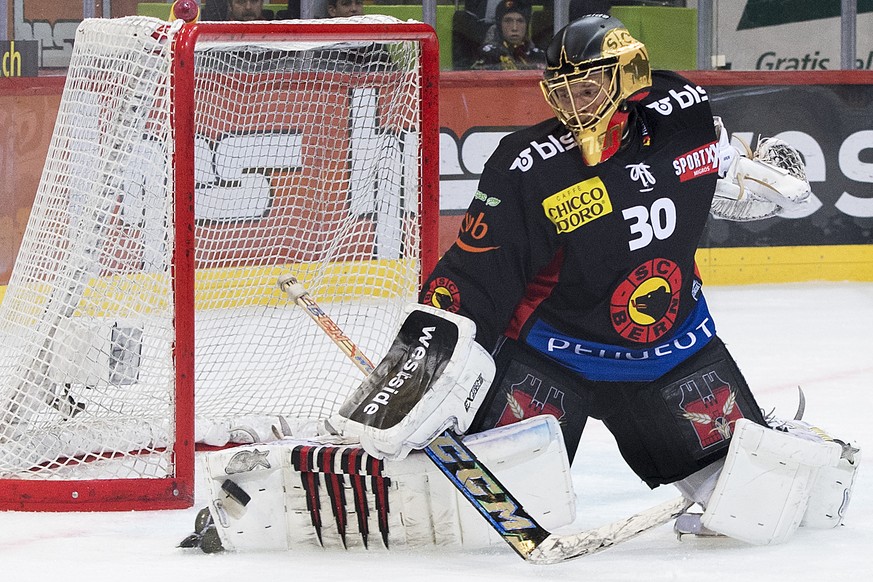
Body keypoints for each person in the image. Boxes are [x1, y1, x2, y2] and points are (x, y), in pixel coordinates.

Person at [332, 13, 859, 547]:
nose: (575, 104)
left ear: (627, 79)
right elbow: (476, 272)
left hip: (673, 350)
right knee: (470, 519)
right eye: (563, 90)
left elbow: (711, 156)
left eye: (589, 87)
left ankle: (762, 441)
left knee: (764, 505)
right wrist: (426, 360)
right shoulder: (530, 165)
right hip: (558, 358)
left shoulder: (684, 116)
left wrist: (738, 167)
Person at [472, 0, 546, 70]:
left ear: (527, 26)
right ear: (500, 26)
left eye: (520, 21)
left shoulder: (538, 56)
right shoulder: (489, 55)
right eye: (508, 21)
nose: (514, 28)